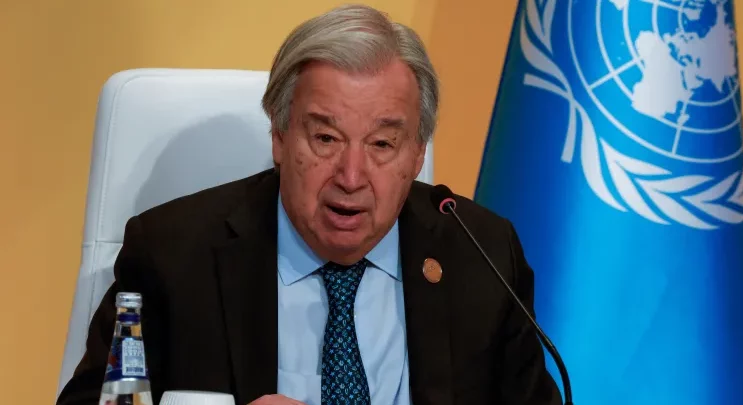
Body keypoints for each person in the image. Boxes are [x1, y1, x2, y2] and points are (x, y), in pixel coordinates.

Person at [57, 4, 560, 405]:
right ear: (279, 137)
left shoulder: (482, 255)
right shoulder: (173, 257)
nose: (351, 176)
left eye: (382, 144)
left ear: (417, 154)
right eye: (325, 138)